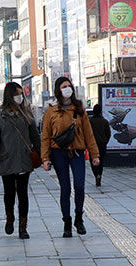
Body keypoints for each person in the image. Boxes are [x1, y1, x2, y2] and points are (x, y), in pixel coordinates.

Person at [41, 76, 100, 237]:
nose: (67, 89)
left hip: (77, 152)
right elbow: (45, 136)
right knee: (65, 188)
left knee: (80, 186)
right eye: (63, 86)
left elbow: (89, 134)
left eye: (69, 86)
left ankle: (79, 218)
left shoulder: (79, 109)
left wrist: (95, 154)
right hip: (58, 152)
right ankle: (67, 222)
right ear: (58, 91)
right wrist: (45, 158)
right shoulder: (51, 111)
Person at [0, 82, 41, 239]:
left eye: (21, 93)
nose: (20, 96)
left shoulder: (26, 112)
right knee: (9, 193)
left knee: (23, 193)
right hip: (7, 159)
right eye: (17, 93)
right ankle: (10, 218)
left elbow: (35, 135)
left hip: (24, 158)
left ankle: (23, 226)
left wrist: (44, 155)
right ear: (10, 95)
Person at [89, 103, 110, 187]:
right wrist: (105, 141)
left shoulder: (90, 121)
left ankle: (95, 174)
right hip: (102, 144)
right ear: (101, 111)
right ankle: (99, 175)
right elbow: (108, 133)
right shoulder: (104, 121)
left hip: (92, 144)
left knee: (93, 160)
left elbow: (87, 133)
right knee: (100, 161)